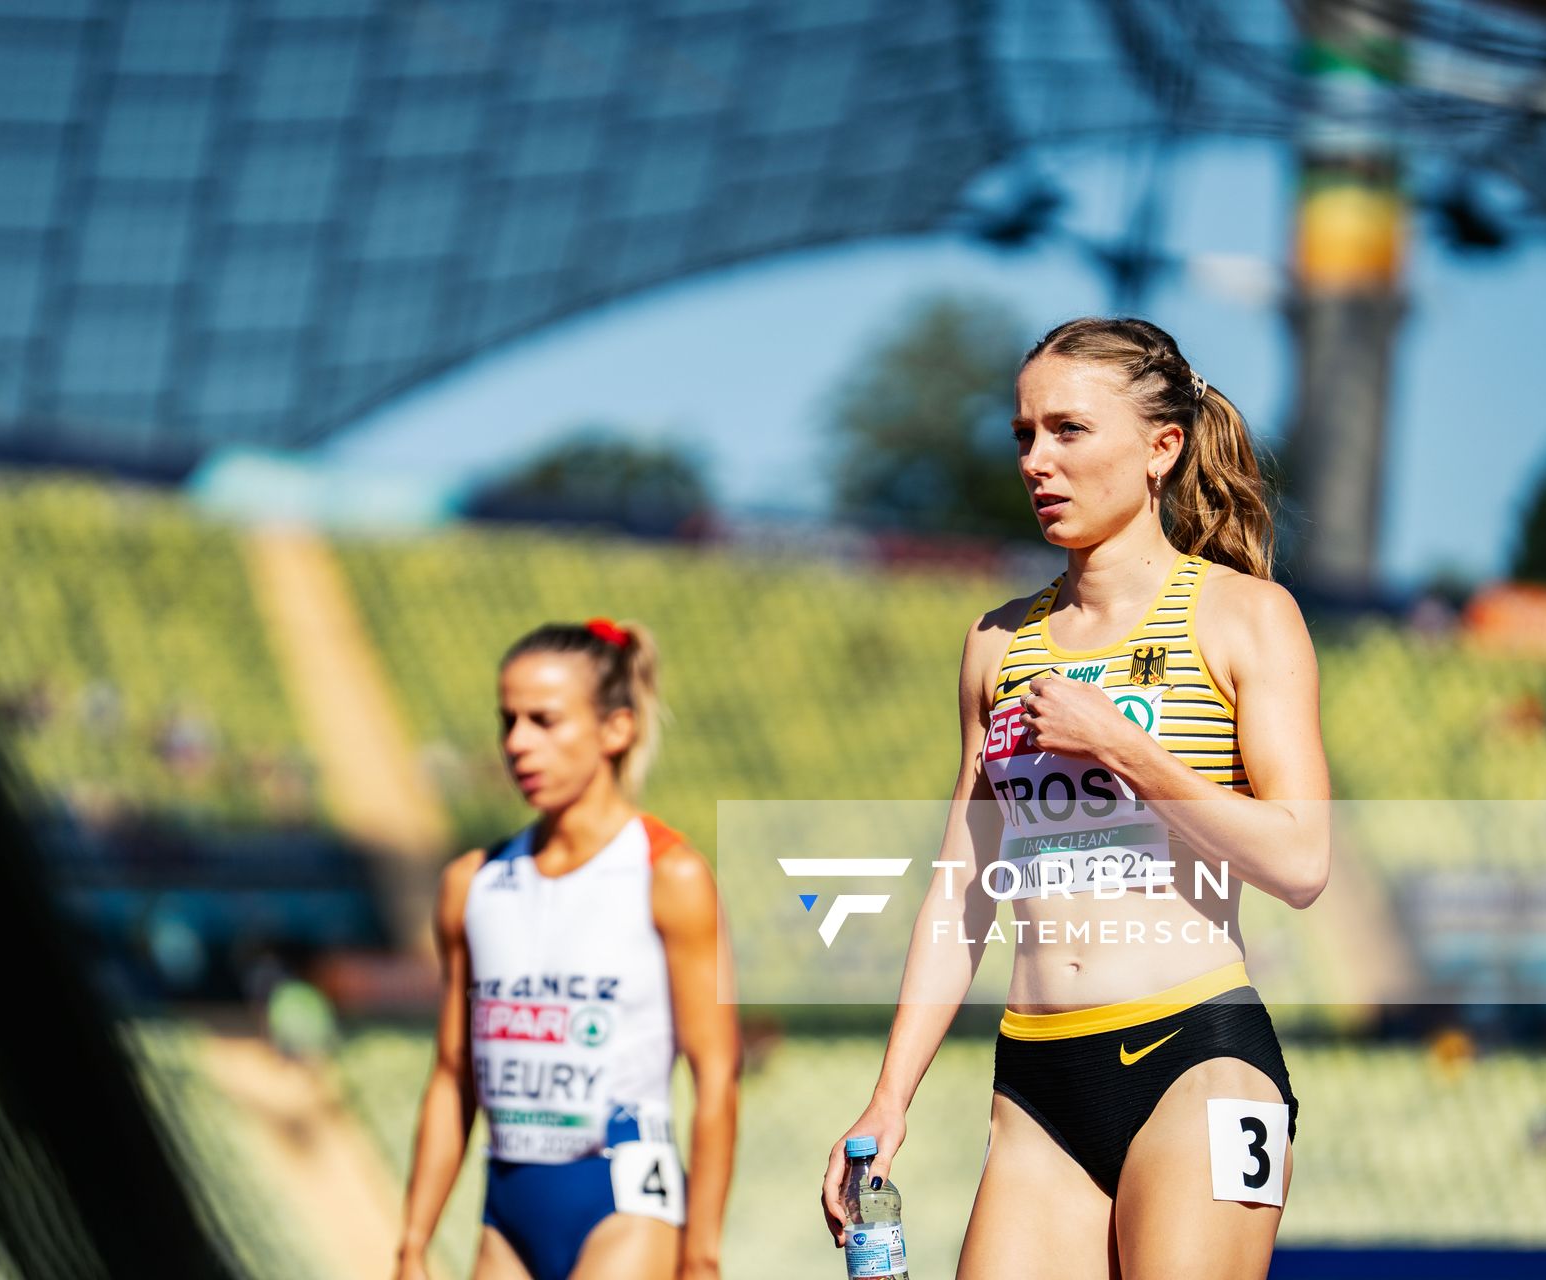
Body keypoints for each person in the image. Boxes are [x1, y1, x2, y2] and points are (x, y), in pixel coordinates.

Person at [820, 318, 1331, 1278]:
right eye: (1024, 434)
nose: (1036, 462)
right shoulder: (995, 643)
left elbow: (1302, 861)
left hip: (1196, 1057)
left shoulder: (1245, 616)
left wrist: (1124, 748)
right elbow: (961, 894)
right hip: (1037, 1081)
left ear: (1161, 447)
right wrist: (889, 1099)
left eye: (1068, 430)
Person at [397, 618, 739, 1280]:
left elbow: (717, 1075)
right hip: (506, 1218)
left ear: (616, 729)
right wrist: (412, 1243)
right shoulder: (472, 884)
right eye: (508, 721)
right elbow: (451, 1073)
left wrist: (701, 1256)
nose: (517, 743)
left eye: (544, 721)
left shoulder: (669, 875)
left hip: (625, 1206)